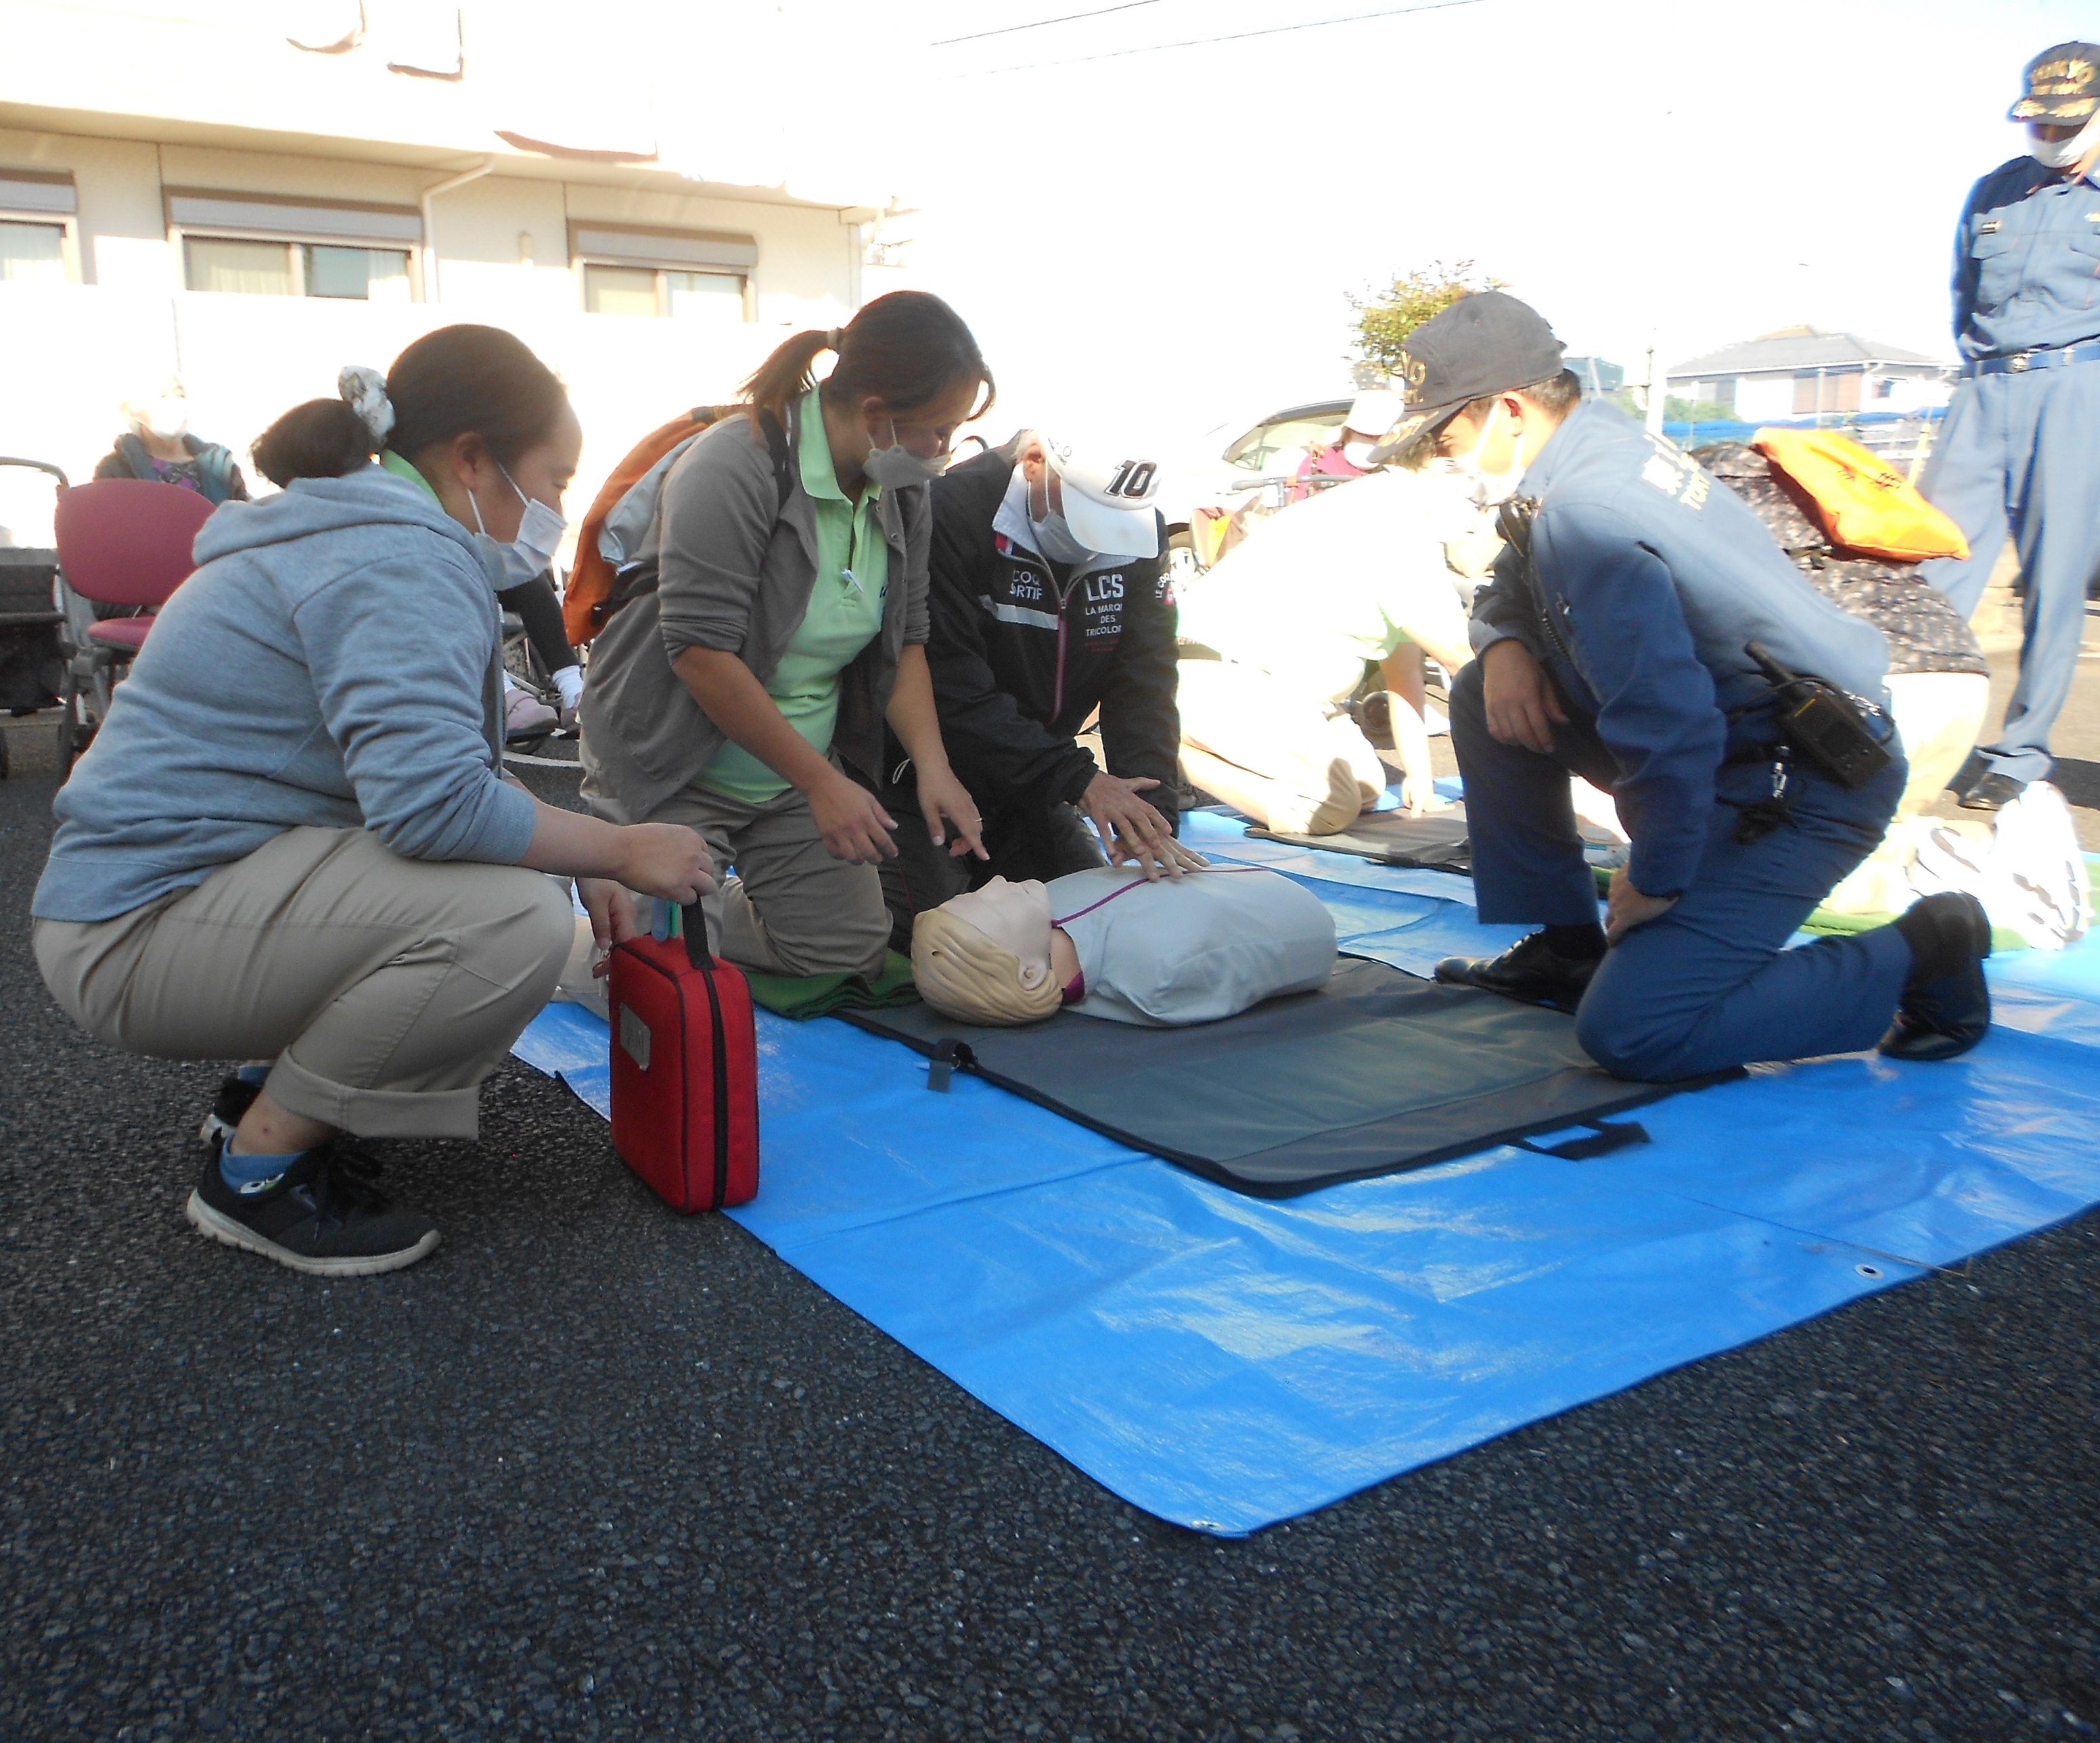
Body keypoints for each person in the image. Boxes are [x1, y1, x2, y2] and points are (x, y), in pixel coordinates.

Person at [30, 325, 713, 1276]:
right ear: (471, 458)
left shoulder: (358, 531)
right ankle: (257, 1174)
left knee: (501, 882)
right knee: (509, 918)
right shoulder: (401, 557)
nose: (558, 507)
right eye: (554, 479)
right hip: (137, 934)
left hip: (143, 904)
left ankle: (265, 1097)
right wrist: (618, 851)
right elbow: (435, 807)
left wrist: (590, 839)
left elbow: (426, 768)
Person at [1388, 292, 1993, 1079]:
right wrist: (1501, 640)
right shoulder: (1596, 445)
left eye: (1446, 433)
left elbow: (1667, 725)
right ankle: (1568, 945)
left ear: (1506, 410)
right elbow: (1516, 560)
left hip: (1801, 784)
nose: (1440, 454)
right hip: (1745, 749)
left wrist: (1654, 877)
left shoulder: (1587, 509)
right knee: (1482, 695)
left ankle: (1924, 948)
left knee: (1636, 1033)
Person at [579, 291, 990, 979]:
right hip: (673, 761)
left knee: (846, 953)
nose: (943, 453)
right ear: (874, 414)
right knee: (664, 985)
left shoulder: (902, 490)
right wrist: (822, 784)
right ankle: (618, 913)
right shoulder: (733, 467)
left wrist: (933, 766)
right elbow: (701, 655)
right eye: (937, 431)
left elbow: (906, 638)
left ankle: (711, 906)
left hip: (785, 769)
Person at [861, 427, 1204, 948]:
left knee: (1092, 926)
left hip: (1030, 782)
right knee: (940, 942)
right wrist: (1078, 780)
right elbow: (948, 679)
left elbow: (1145, 679)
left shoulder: (1143, 533)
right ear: (1036, 463)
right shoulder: (953, 512)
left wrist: (1152, 817)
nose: (1097, 543)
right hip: (920, 772)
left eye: (1117, 529)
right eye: (1088, 520)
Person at [1915, 42, 2100, 812]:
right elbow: (1963, 296)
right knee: (1928, 571)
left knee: (2053, 586)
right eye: (2040, 124)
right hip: (1984, 392)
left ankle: (2018, 754)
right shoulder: (1993, 192)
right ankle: (1917, 738)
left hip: (2075, 389)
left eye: (2065, 126)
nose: (2049, 138)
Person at [1172, 460, 1485, 832]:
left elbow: (1405, 674)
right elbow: (1460, 661)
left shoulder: (1392, 506)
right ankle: (1173, 748)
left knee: (1366, 786)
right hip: (1218, 672)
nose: (1476, 513)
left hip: (1276, 688)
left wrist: (1421, 779)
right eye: (1474, 499)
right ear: (1432, 469)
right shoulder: (1398, 523)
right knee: (1327, 807)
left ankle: (1219, 747)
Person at [1697, 441, 1990, 817]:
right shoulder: (1809, 487)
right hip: (1960, 675)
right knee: (1888, 840)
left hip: (1872, 695)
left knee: (1800, 844)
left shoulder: (1708, 488)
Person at [911, 867, 1335, 1027]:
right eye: (988, 906)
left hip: (1260, 885)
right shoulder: (1157, 975)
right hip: (1303, 913)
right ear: (1030, 973)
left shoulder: (1048, 900)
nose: (995, 884)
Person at [93, 379, 251, 504]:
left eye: (179, 394)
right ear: (132, 410)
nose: (173, 402)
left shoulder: (220, 465)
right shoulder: (115, 470)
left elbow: (243, 520)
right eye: (162, 396)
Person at [1287, 388, 1402, 503]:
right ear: (1347, 434)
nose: (1372, 442)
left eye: (1380, 437)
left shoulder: (1402, 467)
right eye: (1364, 435)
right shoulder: (1318, 464)